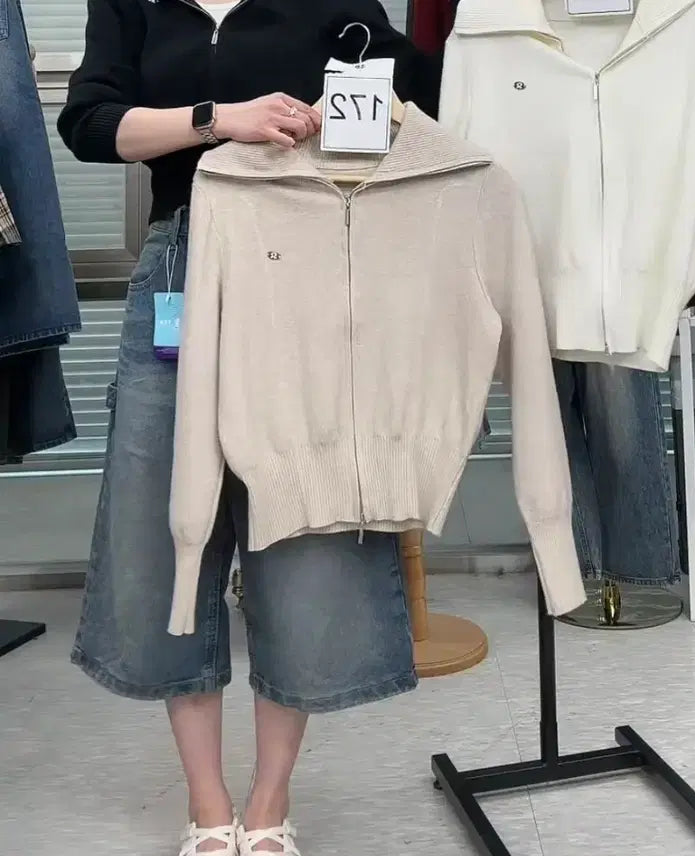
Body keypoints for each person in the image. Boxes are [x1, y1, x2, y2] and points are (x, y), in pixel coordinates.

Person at [58, 2, 440, 854]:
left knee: (303, 520)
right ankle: (207, 804)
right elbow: (89, 123)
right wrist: (219, 120)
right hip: (179, 263)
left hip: (306, 256)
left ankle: (269, 802)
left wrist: (350, 120)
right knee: (163, 526)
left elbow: (418, 97)